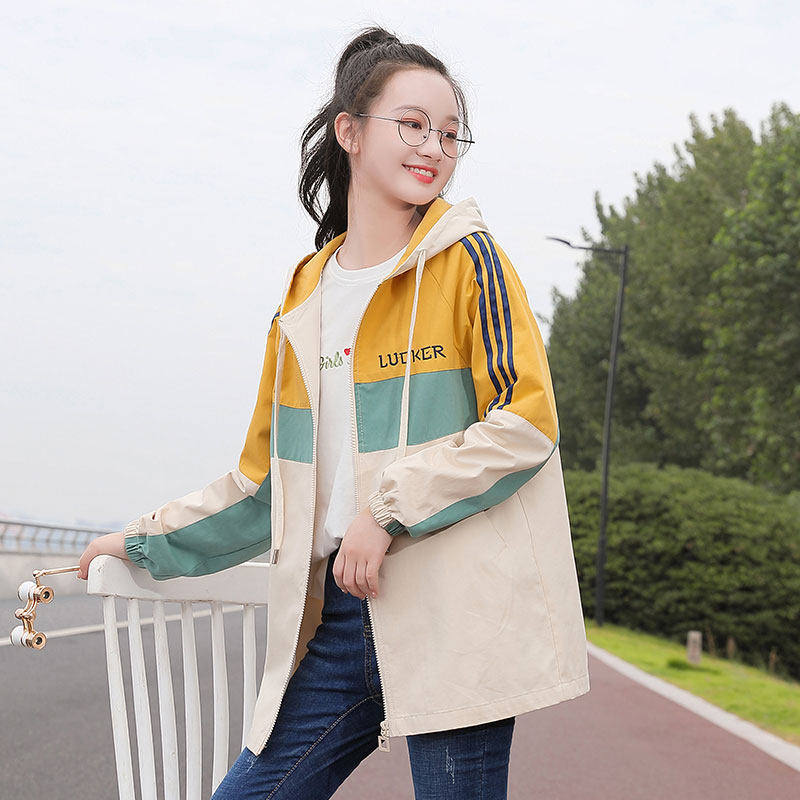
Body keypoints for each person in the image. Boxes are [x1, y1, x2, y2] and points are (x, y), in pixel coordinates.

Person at [77, 25, 589, 800]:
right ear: (350, 132)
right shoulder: (305, 298)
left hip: (458, 619)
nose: (435, 147)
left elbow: (526, 422)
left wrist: (384, 512)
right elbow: (266, 487)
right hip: (342, 623)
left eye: (450, 133)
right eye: (412, 124)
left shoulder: (469, 260)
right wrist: (142, 542)